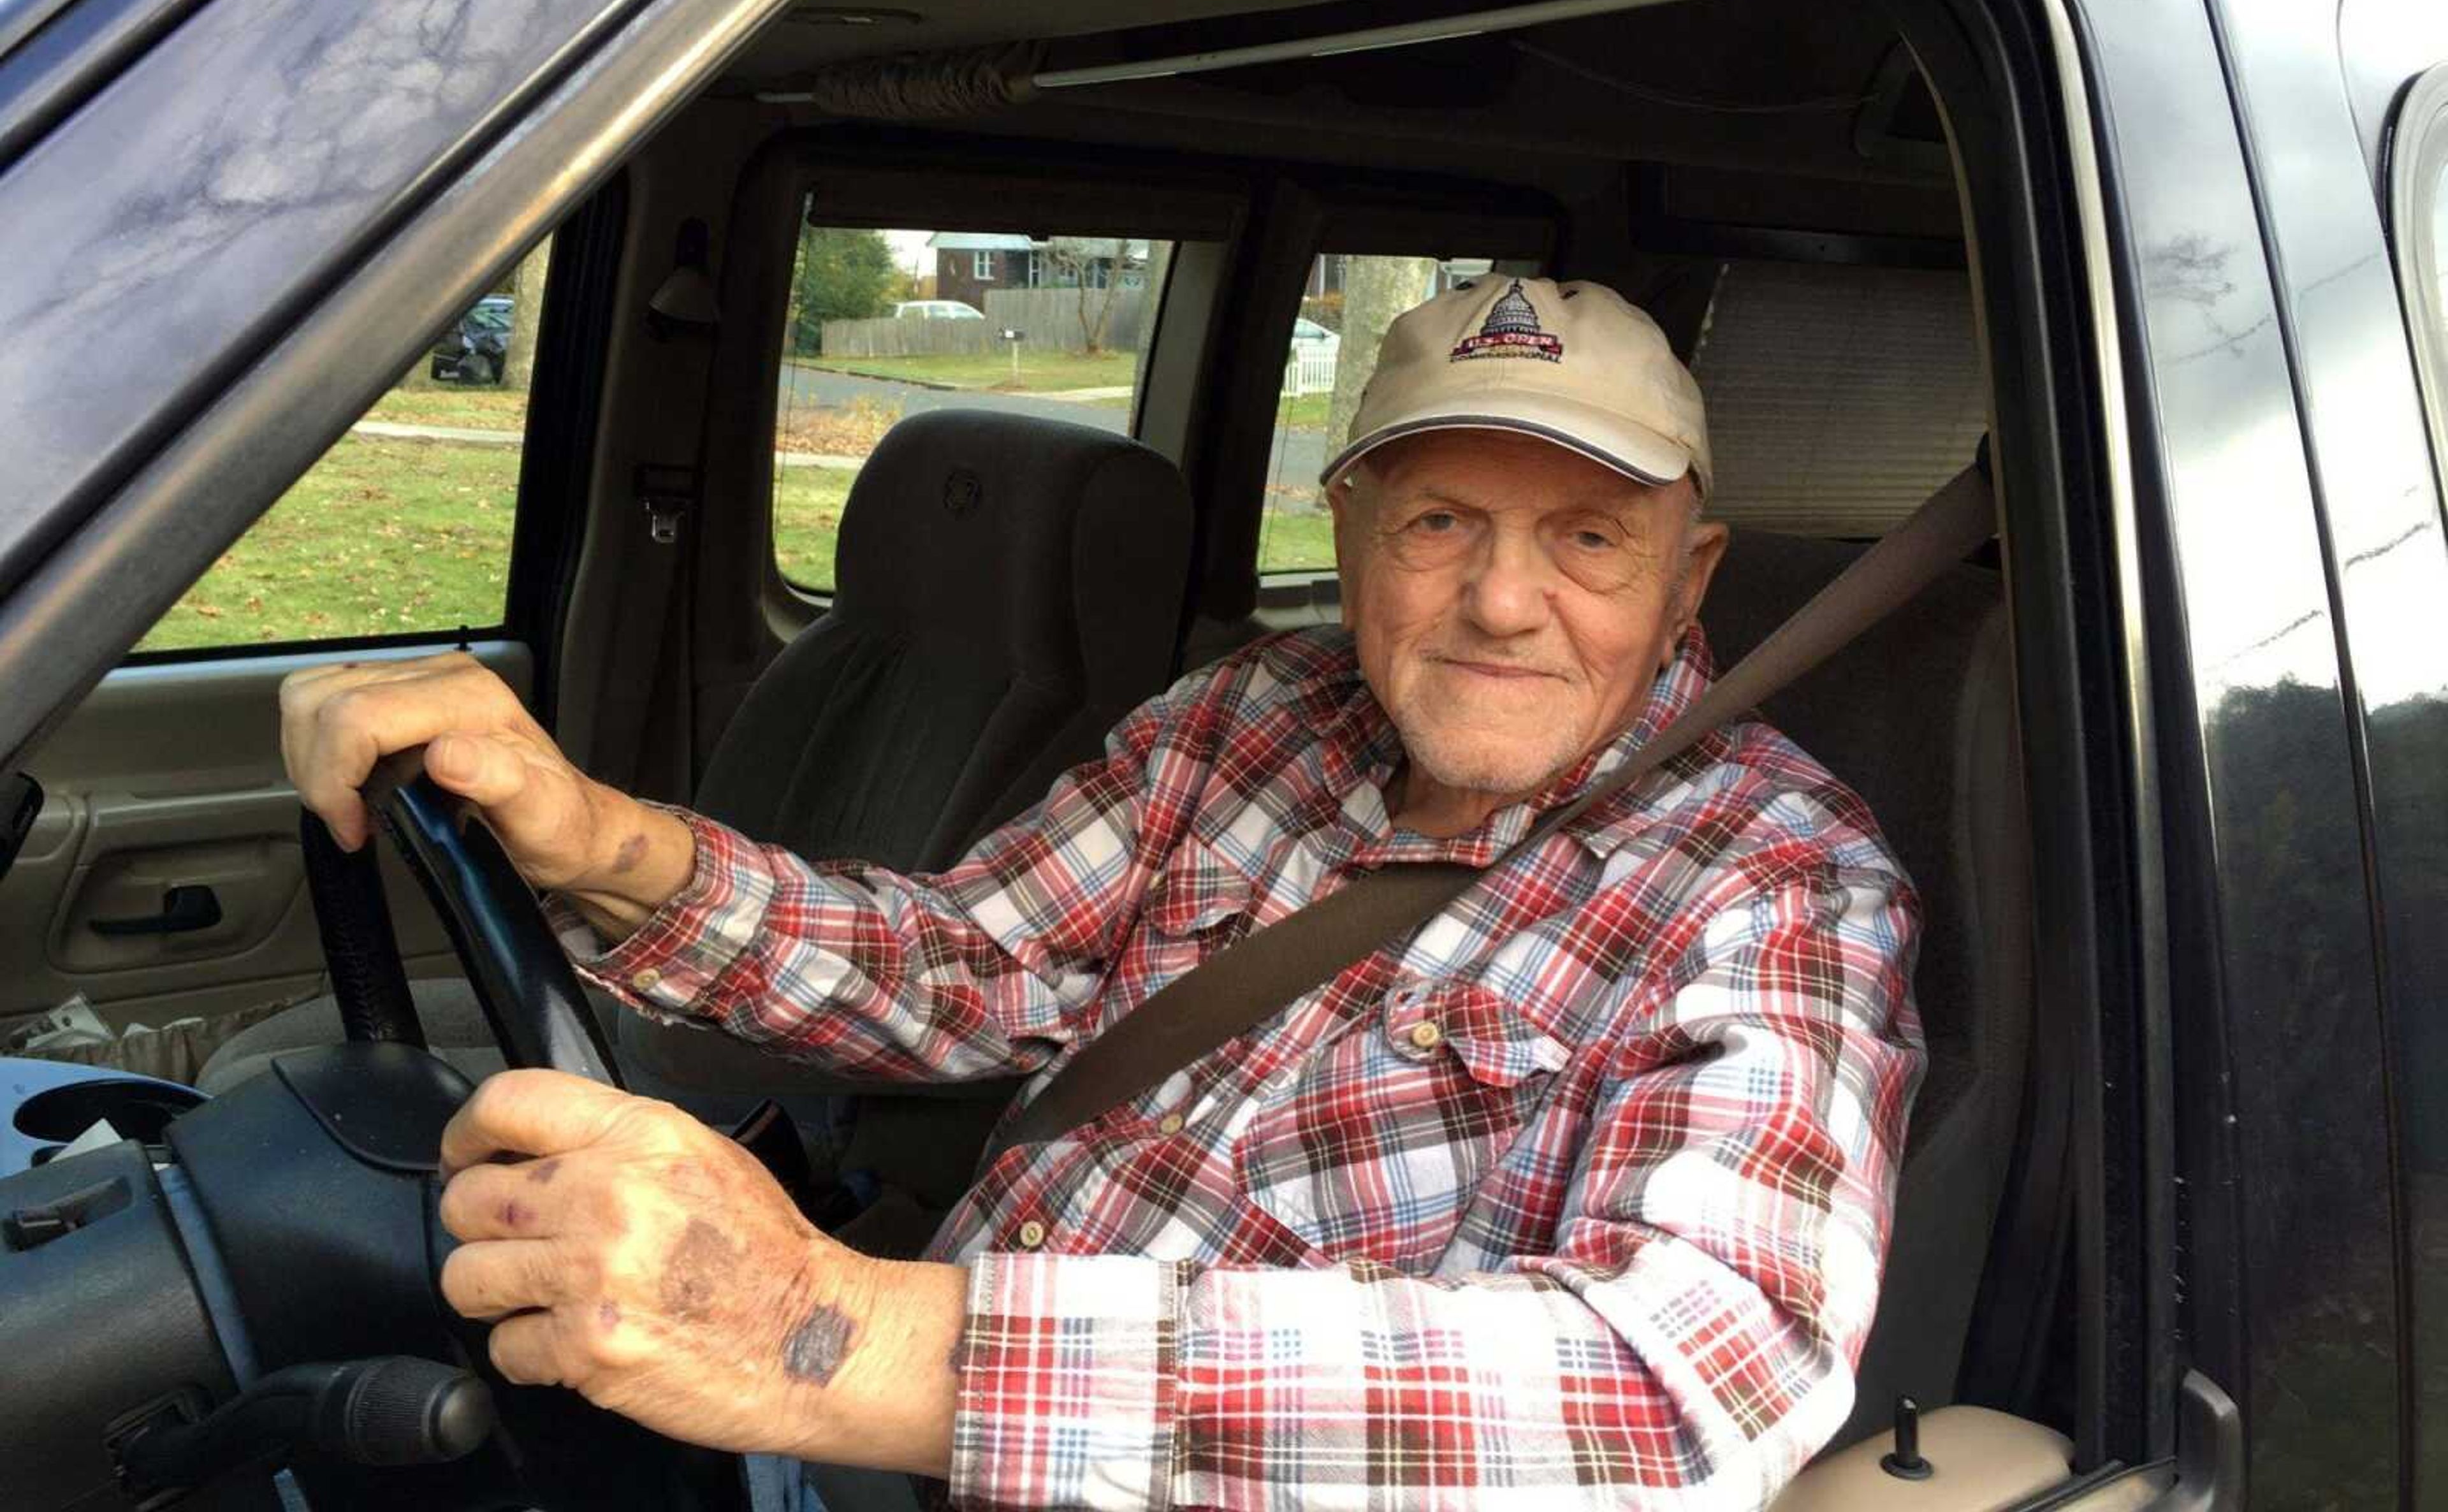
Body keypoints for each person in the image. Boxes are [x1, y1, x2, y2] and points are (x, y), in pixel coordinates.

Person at [281, 273, 1921, 1510]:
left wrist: (830, 1331)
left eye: (1587, 538)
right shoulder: (1256, 714)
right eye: (1439, 520)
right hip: (892, 1449)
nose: (1502, 600)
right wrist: (600, 843)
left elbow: (1680, 1384)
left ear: (1690, 571)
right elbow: (971, 967)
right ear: (1348, 534)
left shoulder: (1780, 884)